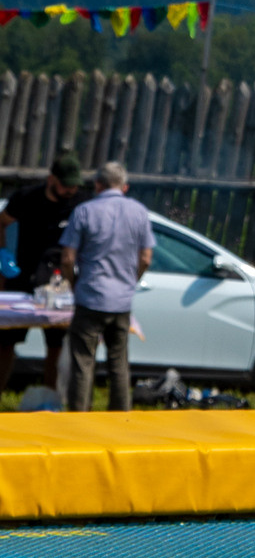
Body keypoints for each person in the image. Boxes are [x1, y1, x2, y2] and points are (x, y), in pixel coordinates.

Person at [58, 159, 152, 413]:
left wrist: (73, 283)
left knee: (83, 362)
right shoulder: (139, 212)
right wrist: (131, 281)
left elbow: (67, 258)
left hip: (90, 296)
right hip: (121, 301)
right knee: (119, 362)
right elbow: (145, 258)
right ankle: (120, 418)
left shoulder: (84, 211)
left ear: (98, 184)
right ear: (125, 187)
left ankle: (79, 417)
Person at [0, 154, 82, 395]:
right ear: (51, 179)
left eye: (74, 185)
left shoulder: (80, 204)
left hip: (59, 284)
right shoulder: (26, 198)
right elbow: (2, 222)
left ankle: (51, 400)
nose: (70, 190)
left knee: (56, 345)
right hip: (23, 280)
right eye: (65, 185)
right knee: (5, 343)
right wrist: (3, 255)